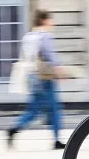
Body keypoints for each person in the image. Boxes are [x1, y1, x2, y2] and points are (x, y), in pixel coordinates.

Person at [7, 9, 69, 150]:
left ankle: (14, 129)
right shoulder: (45, 36)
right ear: (43, 20)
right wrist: (61, 71)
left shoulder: (28, 36)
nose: (52, 23)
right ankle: (56, 140)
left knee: (35, 109)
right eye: (50, 20)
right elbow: (51, 56)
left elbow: (25, 57)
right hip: (44, 78)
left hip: (32, 77)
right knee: (53, 109)